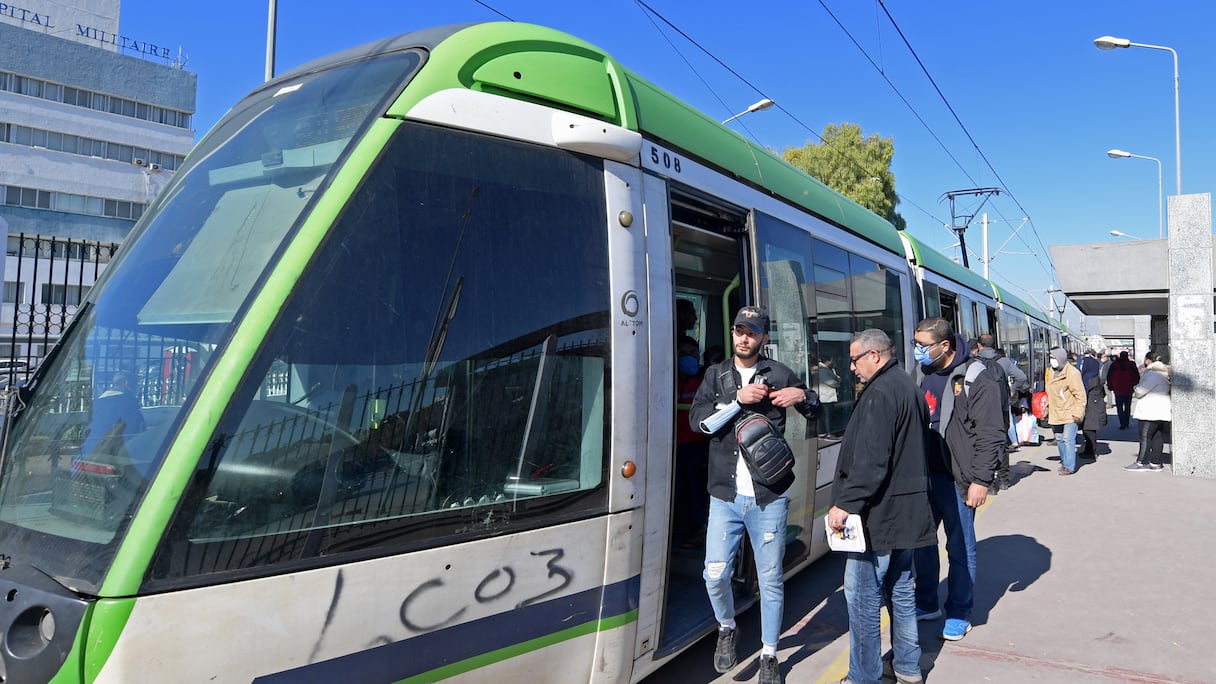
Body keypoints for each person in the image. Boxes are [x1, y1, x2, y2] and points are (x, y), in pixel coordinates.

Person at [689, 306, 819, 684]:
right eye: (738, 330)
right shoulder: (716, 375)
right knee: (714, 574)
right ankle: (727, 627)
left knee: (771, 578)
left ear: (764, 338)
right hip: (725, 496)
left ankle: (770, 655)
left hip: (769, 496)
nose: (744, 337)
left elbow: (816, 410)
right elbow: (698, 423)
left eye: (752, 332)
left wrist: (802, 394)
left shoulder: (778, 373)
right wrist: (738, 401)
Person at [828, 329, 935, 684]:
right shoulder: (907, 386)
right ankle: (907, 666)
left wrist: (845, 504)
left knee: (862, 599)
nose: (853, 368)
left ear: (874, 356)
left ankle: (863, 676)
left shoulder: (880, 393)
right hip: (905, 513)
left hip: (878, 516)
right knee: (902, 591)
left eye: (855, 360)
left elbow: (872, 462)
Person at [912, 318, 1004, 642]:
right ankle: (926, 602)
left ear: (945, 346)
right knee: (920, 543)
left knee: (960, 546)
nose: (918, 351)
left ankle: (959, 611)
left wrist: (980, 480)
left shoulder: (976, 377)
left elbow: (992, 433)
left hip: (958, 479)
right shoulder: (924, 374)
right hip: (926, 476)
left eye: (923, 345)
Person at [974, 334, 1027, 488]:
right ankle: (1004, 480)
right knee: (1002, 443)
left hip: (983, 409)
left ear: (979, 346)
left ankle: (989, 482)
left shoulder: (975, 362)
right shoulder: (1003, 361)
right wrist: (1012, 390)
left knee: (983, 444)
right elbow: (1022, 377)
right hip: (1002, 407)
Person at [674, 334, 709, 546]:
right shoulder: (669, 378)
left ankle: (698, 529)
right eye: (683, 354)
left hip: (697, 445)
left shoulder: (705, 381)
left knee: (696, 489)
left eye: (693, 354)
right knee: (677, 489)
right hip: (673, 446)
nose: (688, 358)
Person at [78, 371, 147, 460]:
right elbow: (134, 429)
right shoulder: (128, 402)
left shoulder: (97, 402)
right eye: (136, 384)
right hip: (114, 452)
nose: (138, 387)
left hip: (89, 448)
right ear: (126, 383)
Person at [1125, 352, 1171, 472]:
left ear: (1148, 360)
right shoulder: (1163, 373)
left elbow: (1140, 391)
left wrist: (1135, 388)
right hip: (1160, 410)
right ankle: (1155, 463)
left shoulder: (1153, 374)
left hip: (1150, 411)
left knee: (1145, 435)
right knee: (1157, 436)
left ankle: (1141, 462)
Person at [1045, 347, 1086, 475]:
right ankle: (1065, 462)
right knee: (1059, 438)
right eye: (1051, 358)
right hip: (1055, 411)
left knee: (1068, 439)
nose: (1052, 361)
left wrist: (1078, 413)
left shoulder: (1073, 373)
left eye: (1054, 358)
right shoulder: (1050, 372)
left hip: (1070, 412)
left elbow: (1080, 395)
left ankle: (1069, 466)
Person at [1078, 349, 1107, 458]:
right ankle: (1089, 450)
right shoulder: (1095, 376)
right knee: (1089, 430)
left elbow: (1082, 394)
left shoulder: (1088, 379)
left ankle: (1090, 452)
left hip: (1091, 409)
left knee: (1088, 430)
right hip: (1094, 407)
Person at [1106, 351, 1140, 430]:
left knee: (1119, 407)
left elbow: (1109, 376)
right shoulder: (1131, 364)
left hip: (1117, 389)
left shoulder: (1114, 364)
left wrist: (1111, 387)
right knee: (1127, 407)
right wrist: (1133, 384)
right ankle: (1126, 422)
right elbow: (1137, 376)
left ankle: (1122, 423)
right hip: (1128, 389)